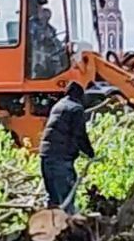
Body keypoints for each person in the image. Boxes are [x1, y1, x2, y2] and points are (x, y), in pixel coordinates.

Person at [39, 81, 95, 212]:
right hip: (60, 158)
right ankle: (67, 226)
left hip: (45, 156)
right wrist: (90, 152)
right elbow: (80, 135)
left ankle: (51, 226)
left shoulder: (59, 105)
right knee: (66, 198)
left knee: (53, 198)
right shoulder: (76, 109)